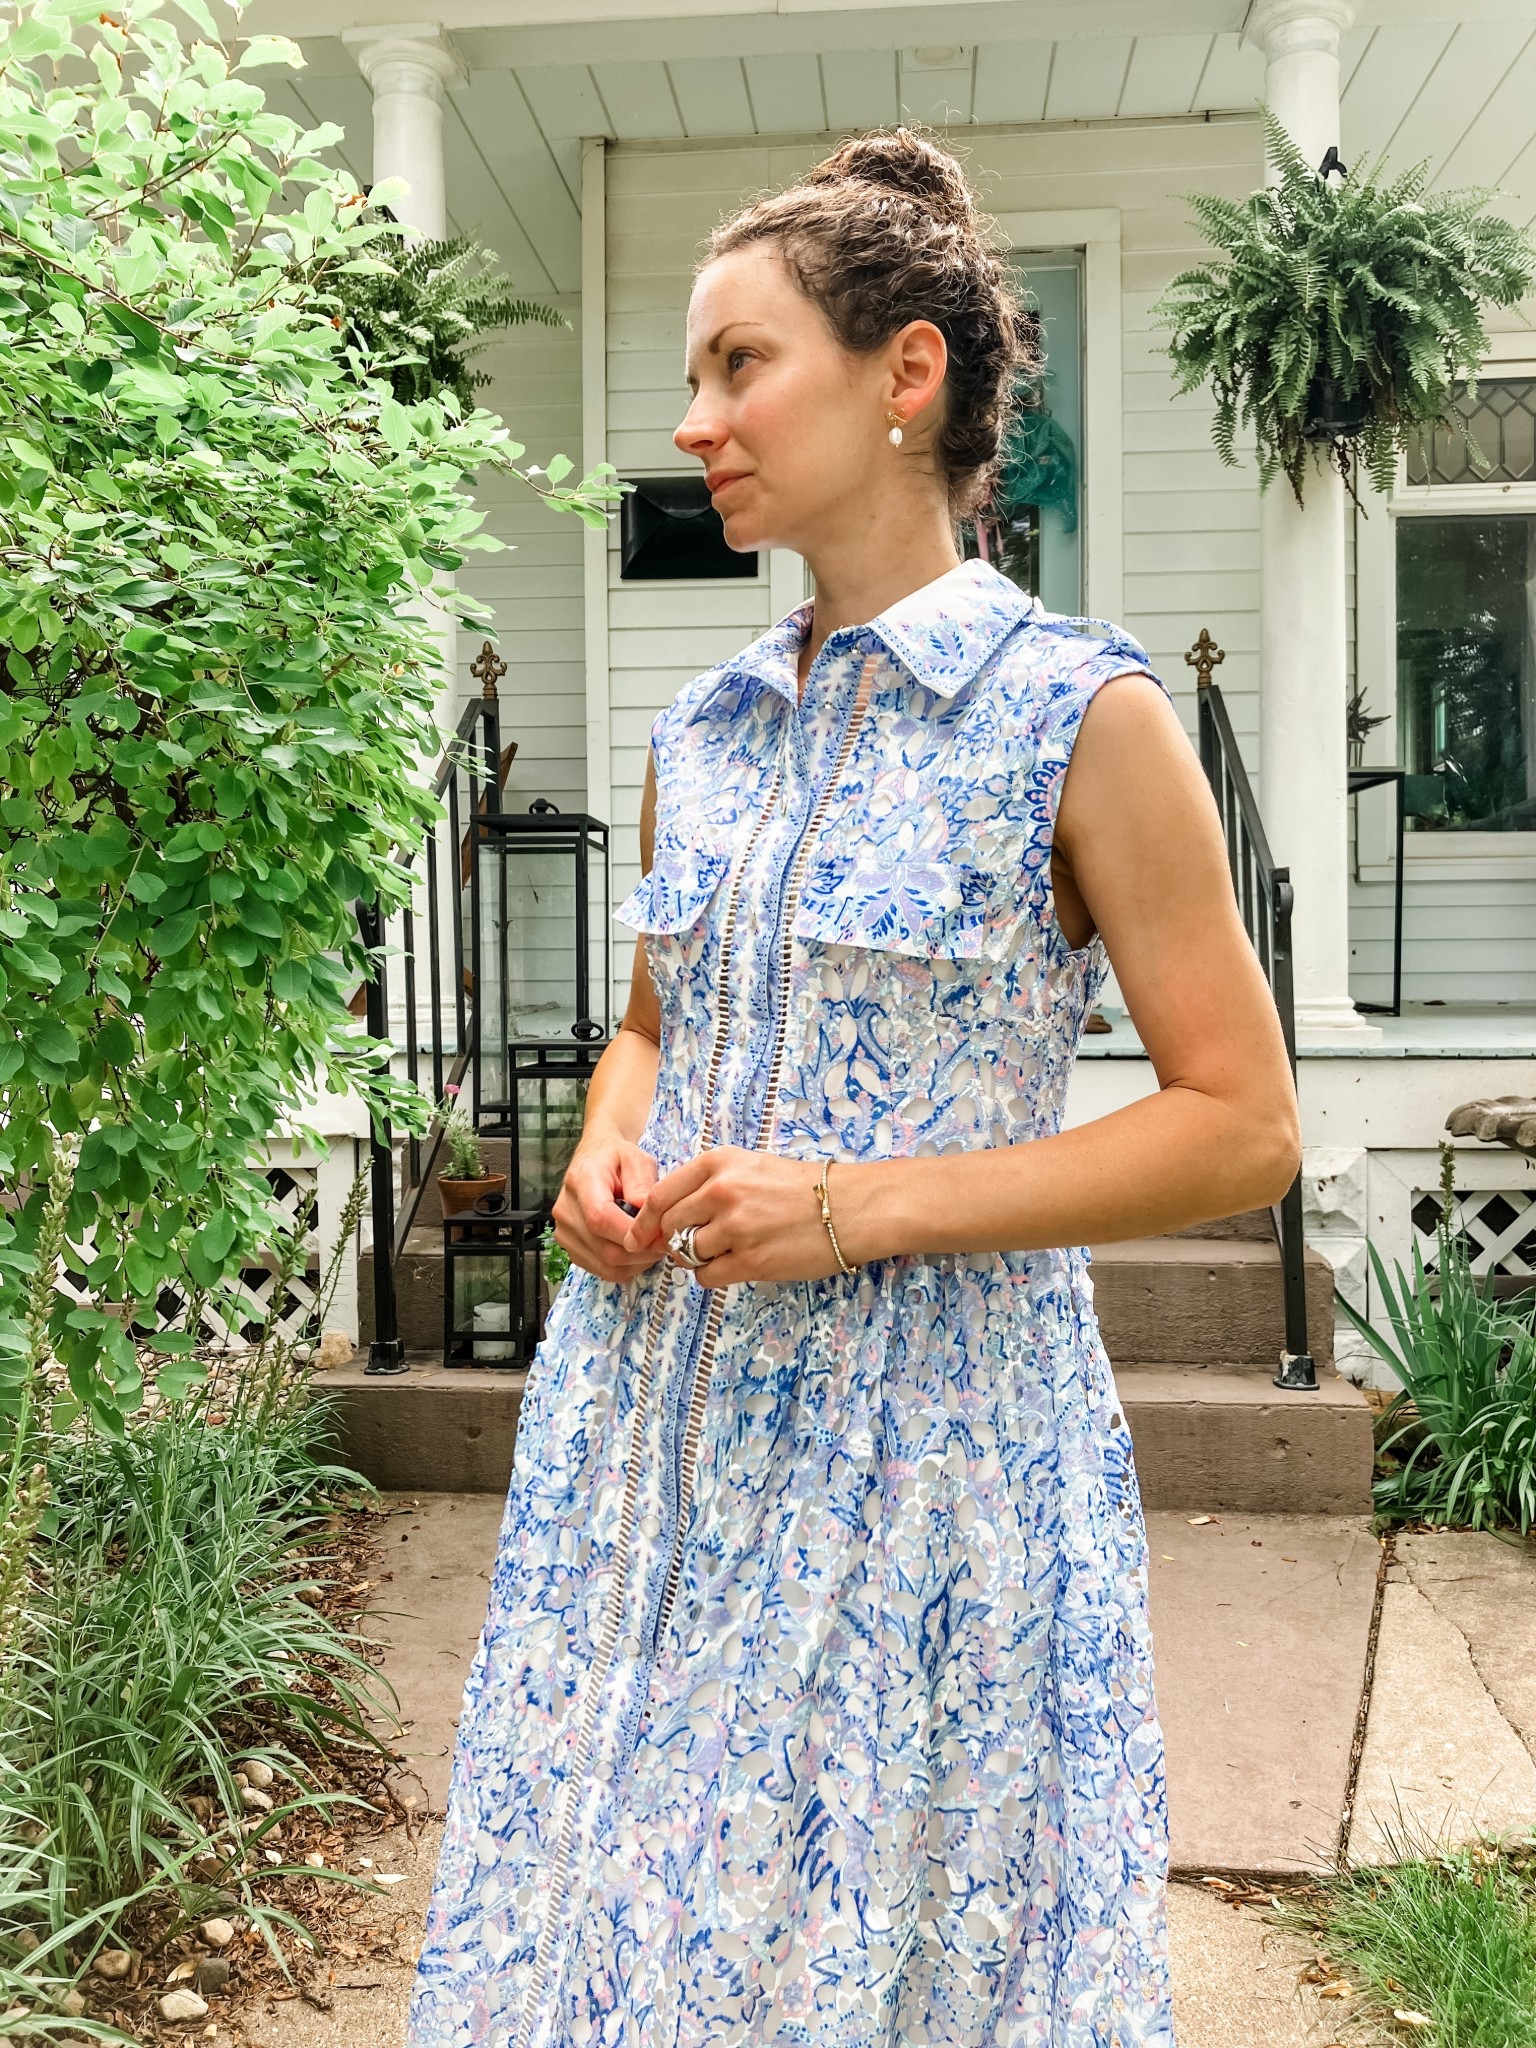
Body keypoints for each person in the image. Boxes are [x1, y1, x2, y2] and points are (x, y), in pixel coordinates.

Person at [408, 128, 1299, 2048]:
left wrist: (855, 1206)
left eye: (741, 365)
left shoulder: (1086, 719)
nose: (694, 418)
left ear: (908, 377)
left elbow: (1243, 1122)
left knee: (872, 1946)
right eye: (692, 375)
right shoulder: (699, 734)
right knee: (625, 1923)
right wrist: (602, 1143)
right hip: (649, 1446)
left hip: (927, 1463)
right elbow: (653, 1022)